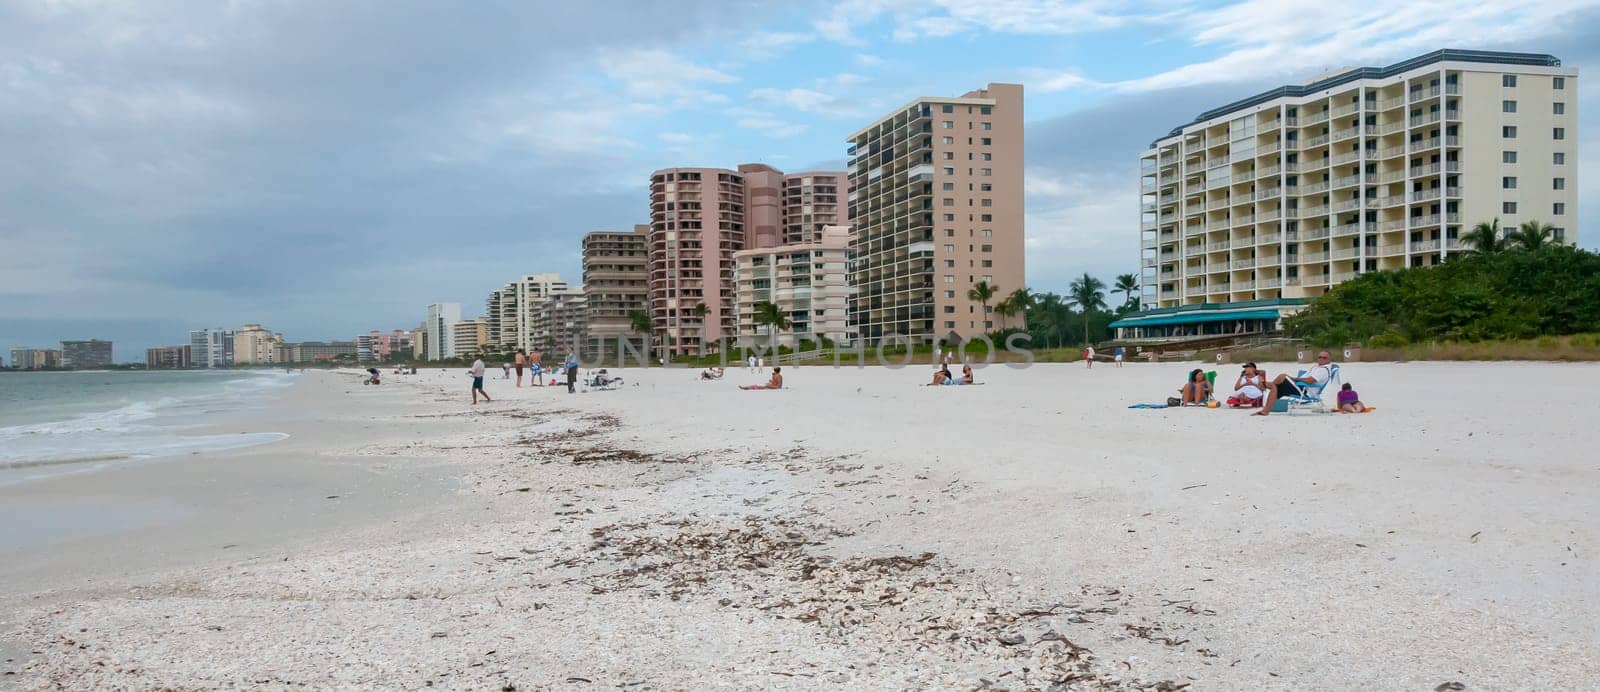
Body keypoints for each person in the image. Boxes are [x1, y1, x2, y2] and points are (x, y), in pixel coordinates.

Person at [1255, 351, 1334, 416]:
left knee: (1282, 376)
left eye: (1324, 358)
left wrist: (1294, 379)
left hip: (1306, 390)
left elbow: (1311, 380)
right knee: (1276, 387)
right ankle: (1265, 410)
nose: (1321, 359)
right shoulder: (1317, 367)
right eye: (1319, 357)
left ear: (1329, 359)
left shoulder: (1323, 370)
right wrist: (1295, 379)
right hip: (1301, 387)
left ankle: (1265, 386)